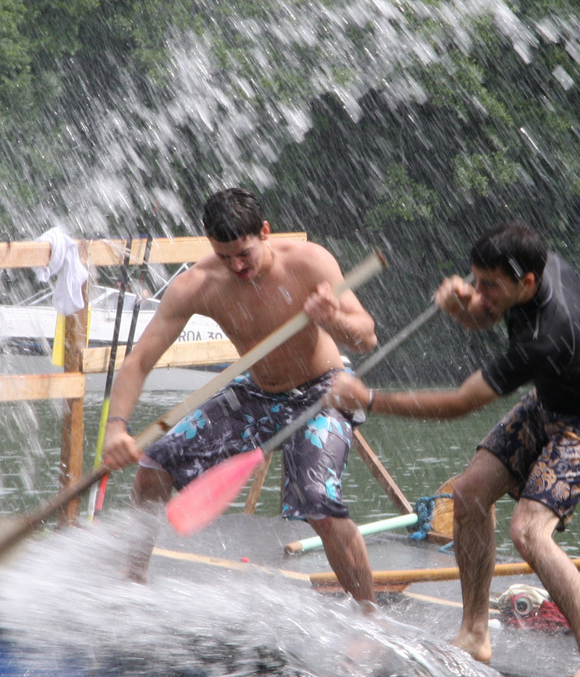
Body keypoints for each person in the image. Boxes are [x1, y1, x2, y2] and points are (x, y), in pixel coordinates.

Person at [326, 222, 580, 677]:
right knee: (467, 493)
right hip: (548, 404)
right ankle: (475, 632)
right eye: (474, 279)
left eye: (489, 286)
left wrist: (369, 397)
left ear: (527, 283)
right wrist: (465, 309)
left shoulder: (548, 334)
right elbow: (489, 315)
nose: (478, 291)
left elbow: (460, 404)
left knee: (528, 531)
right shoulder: (537, 269)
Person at [101, 187, 381, 607]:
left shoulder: (309, 262)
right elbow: (139, 361)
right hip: (258, 394)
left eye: (244, 254)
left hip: (324, 392)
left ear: (264, 232)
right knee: (156, 462)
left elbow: (367, 337)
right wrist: (116, 427)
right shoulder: (197, 284)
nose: (236, 265)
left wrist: (333, 317)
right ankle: (132, 580)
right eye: (224, 255)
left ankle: (368, 614)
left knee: (318, 501)